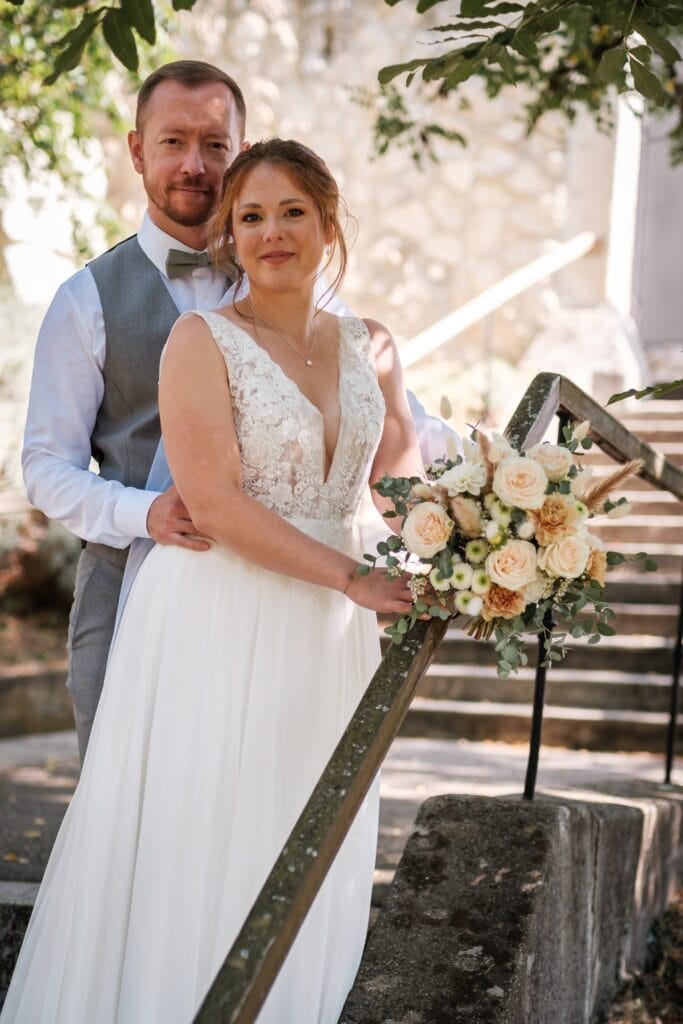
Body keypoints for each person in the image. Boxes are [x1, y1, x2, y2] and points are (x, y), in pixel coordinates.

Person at [2, 137, 424, 1023]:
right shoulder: (200, 341)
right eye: (250, 217)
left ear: (329, 222)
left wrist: (477, 537)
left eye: (291, 212)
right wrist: (353, 577)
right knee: (203, 842)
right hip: (217, 616)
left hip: (331, 637)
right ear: (230, 236)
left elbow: (400, 484)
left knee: (309, 839)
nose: (272, 232)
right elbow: (218, 502)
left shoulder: (373, 345)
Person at [21, 60, 458, 762]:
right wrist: (143, 512)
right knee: (131, 808)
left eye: (215, 145)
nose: (195, 164)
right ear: (137, 150)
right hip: (132, 587)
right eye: (173, 142)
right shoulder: (86, 299)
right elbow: (45, 465)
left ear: (241, 148)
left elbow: (383, 415)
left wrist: (485, 481)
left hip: (291, 594)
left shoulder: (292, 273)